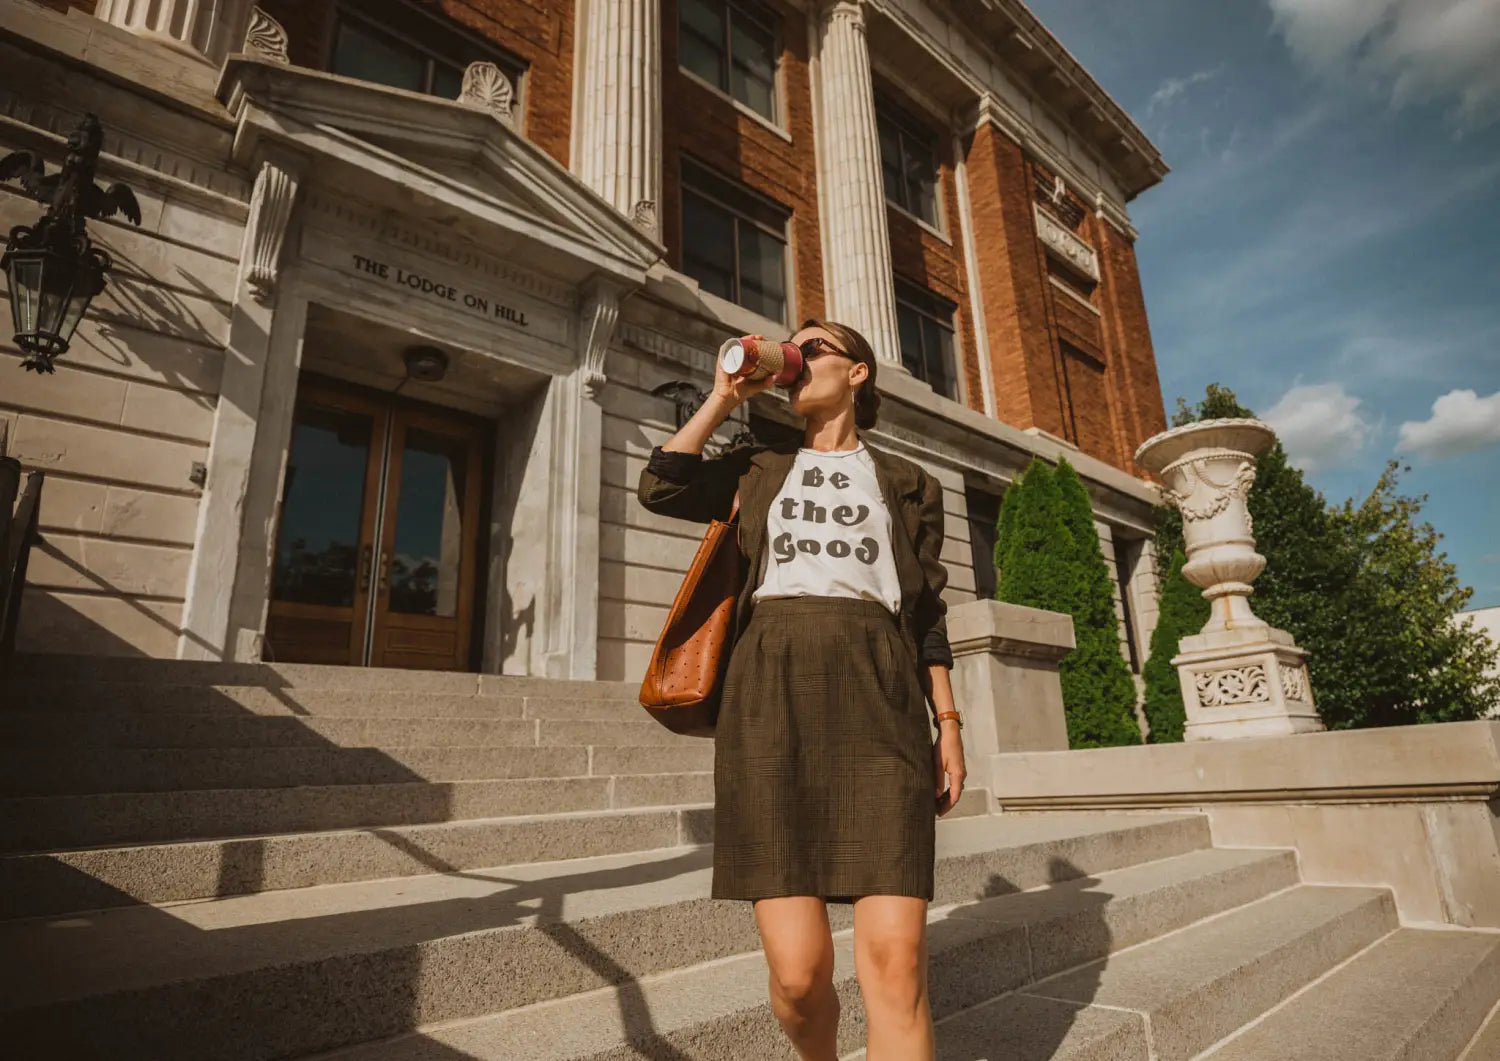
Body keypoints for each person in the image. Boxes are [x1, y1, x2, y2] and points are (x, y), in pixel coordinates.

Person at [636, 319, 967, 1060]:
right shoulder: (757, 465)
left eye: (812, 346)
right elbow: (661, 485)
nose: (796, 357)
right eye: (793, 346)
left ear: (858, 372)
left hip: (880, 697)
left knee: (897, 962)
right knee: (797, 975)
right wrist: (724, 395)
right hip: (770, 698)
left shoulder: (912, 484)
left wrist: (947, 719)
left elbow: (926, 613)